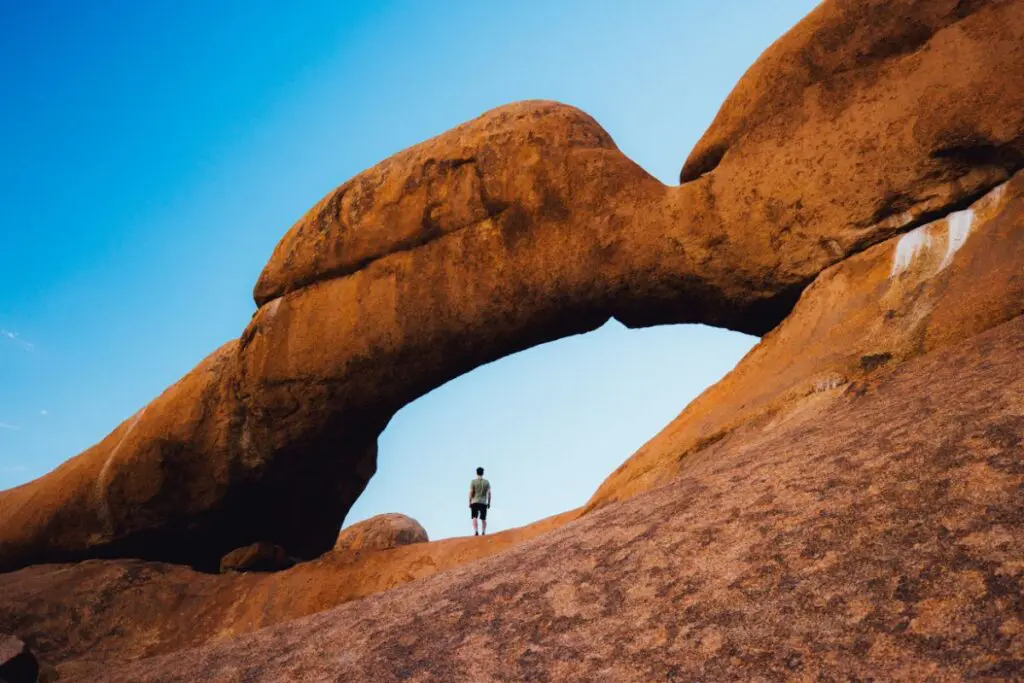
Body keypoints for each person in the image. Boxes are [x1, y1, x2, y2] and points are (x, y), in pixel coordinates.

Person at [469, 466, 491, 536]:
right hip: (483, 502)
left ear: (476, 473)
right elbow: (489, 493)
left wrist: (469, 501)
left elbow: (471, 492)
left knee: (474, 517)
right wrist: (489, 503)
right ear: (483, 473)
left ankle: (476, 531)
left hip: (475, 501)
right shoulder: (486, 482)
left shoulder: (473, 482)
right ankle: (484, 532)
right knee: (483, 518)